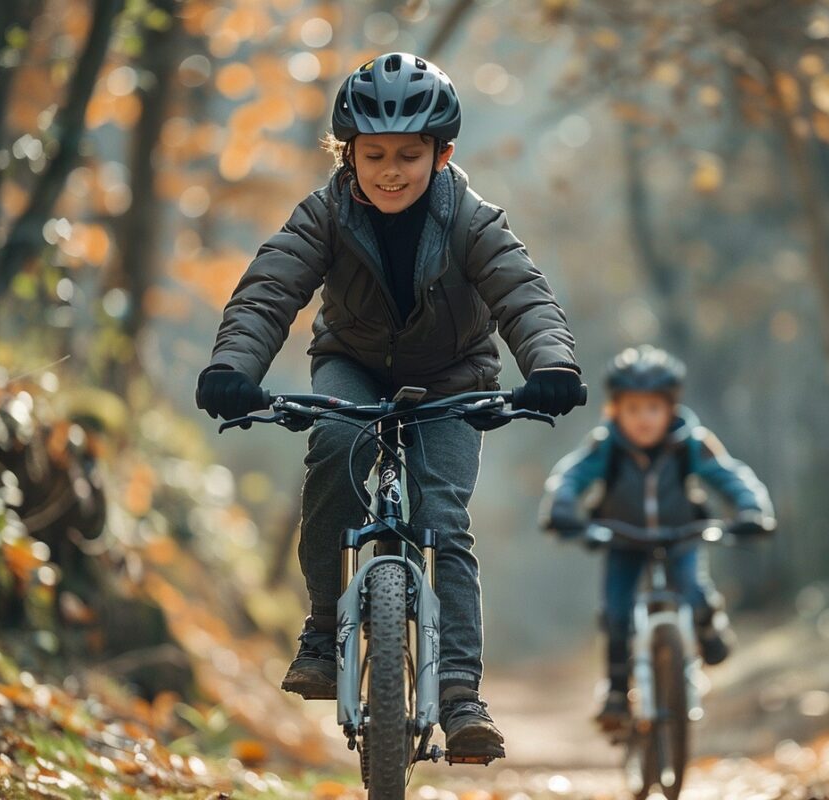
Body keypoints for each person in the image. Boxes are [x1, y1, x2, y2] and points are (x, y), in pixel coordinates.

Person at [194, 52, 585, 761]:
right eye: (374, 155)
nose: (392, 169)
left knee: (442, 516)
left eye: (411, 154)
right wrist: (232, 367)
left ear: (444, 154)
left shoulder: (470, 216)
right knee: (336, 450)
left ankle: (462, 695)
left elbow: (523, 293)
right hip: (353, 363)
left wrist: (551, 366)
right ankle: (321, 631)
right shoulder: (325, 214)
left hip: (455, 374)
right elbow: (269, 290)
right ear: (347, 155)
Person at [541, 345, 773, 731]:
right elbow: (570, 476)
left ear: (670, 408)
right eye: (632, 409)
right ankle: (617, 691)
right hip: (622, 539)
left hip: (681, 534)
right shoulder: (606, 447)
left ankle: (706, 626)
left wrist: (752, 509)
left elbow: (731, 475)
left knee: (693, 592)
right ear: (616, 410)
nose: (643, 419)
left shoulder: (692, 444)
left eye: (653, 408)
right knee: (616, 614)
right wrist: (562, 508)